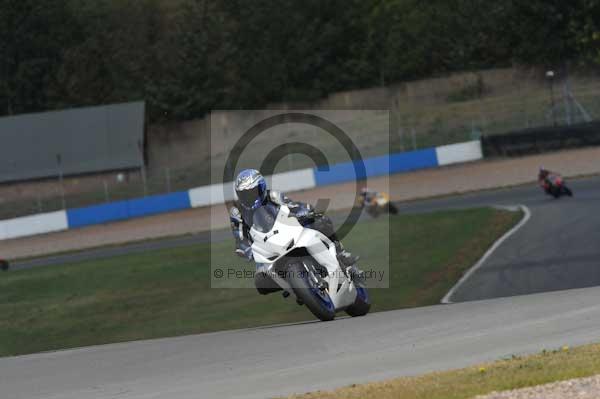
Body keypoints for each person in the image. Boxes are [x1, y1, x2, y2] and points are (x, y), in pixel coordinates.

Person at [229, 169, 362, 293]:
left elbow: (292, 206)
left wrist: (306, 211)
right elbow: (239, 236)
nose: (250, 197)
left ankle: (341, 253)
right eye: (244, 194)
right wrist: (245, 250)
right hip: (265, 248)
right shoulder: (237, 212)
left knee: (321, 221)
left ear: (262, 187)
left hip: (286, 231)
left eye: (253, 192)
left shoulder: (273, 195)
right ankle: (298, 288)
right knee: (261, 284)